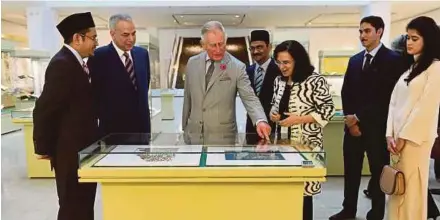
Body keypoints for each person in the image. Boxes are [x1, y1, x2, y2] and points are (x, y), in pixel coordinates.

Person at [330, 16, 405, 220]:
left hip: (377, 128)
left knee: (378, 171)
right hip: (352, 128)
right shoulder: (355, 60)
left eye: (367, 31)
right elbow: (347, 92)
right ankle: (348, 209)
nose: (363, 35)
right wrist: (350, 119)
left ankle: (378, 211)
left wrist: (358, 117)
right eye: (361, 31)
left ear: (379, 31)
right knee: (351, 171)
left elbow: (386, 96)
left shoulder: (394, 60)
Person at [32, 12, 99, 220]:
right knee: (72, 206)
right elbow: (45, 108)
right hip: (69, 153)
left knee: (85, 203)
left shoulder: (78, 62)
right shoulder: (62, 63)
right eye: (93, 38)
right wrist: (43, 147)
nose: (96, 43)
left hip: (84, 149)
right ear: (78, 38)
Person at [269, 40, 335, 220]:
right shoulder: (278, 81)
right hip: (282, 145)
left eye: (286, 62)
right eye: (279, 62)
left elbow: (327, 110)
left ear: (297, 61)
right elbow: (275, 105)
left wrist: (298, 119)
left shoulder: (315, 80)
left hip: (307, 146)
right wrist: (275, 115)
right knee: (284, 192)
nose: (281, 67)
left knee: (304, 193)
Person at [182, 21, 271, 145]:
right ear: (203, 45)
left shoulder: (237, 67)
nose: (218, 49)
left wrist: (260, 120)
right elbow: (188, 97)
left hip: (223, 137)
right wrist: (185, 126)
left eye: (221, 44)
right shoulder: (192, 63)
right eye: (213, 45)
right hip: (194, 134)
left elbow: (249, 97)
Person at [386, 16, 440, 220]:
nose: (409, 42)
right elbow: (393, 103)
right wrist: (389, 134)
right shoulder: (411, 69)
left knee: (412, 191)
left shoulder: (436, 68)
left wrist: (404, 137)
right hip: (397, 141)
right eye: (408, 37)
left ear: (428, 39)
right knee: (396, 188)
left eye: (414, 38)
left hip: (415, 141)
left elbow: (425, 108)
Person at [88, 14, 151, 138]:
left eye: (134, 33)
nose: (131, 39)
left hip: (142, 130)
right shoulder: (98, 57)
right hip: (113, 131)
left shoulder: (142, 54)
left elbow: (143, 87)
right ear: (112, 34)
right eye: (125, 35)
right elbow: (95, 96)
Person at [245, 30, 281, 144]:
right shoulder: (247, 71)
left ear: (269, 47)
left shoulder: (280, 70)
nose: (255, 51)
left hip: (273, 128)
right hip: (251, 128)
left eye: (260, 47)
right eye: (252, 48)